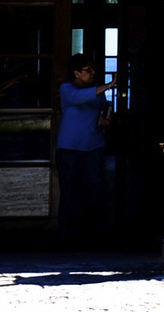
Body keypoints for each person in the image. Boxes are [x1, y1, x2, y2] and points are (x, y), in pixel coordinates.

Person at [55, 57, 111, 245]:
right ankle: (69, 235)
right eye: (88, 70)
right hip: (69, 148)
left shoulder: (97, 92)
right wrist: (108, 85)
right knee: (70, 190)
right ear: (76, 73)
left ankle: (94, 233)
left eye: (93, 69)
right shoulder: (66, 89)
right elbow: (80, 97)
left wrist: (105, 120)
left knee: (95, 188)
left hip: (94, 146)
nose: (92, 73)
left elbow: (102, 110)